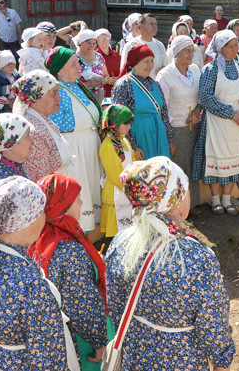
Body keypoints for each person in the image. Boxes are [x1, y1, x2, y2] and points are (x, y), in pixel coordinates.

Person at [105, 158, 236, 370]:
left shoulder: (121, 243)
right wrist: (222, 362)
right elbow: (212, 323)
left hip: (136, 351)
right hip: (181, 357)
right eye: (183, 190)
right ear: (174, 199)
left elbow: (116, 302)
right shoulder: (197, 257)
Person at [0, 176, 76, 370]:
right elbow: (48, 358)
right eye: (39, 212)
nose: (44, 217)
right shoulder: (32, 286)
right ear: (22, 222)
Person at [29, 172, 112, 369]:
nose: (82, 203)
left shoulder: (38, 236)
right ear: (62, 206)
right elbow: (81, 302)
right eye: (76, 199)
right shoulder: (68, 249)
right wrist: (99, 341)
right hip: (80, 340)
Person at [192, 30, 239, 215]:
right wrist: (231, 114)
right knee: (217, 159)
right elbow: (206, 98)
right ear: (220, 48)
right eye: (230, 45)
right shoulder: (210, 70)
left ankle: (227, 200)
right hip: (217, 123)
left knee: (234, 161)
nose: (235, 48)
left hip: (238, 125)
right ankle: (215, 200)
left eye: (236, 45)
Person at [46, 46, 102, 232]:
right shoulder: (57, 92)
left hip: (90, 144)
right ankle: (81, 229)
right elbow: (54, 128)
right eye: (73, 64)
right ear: (60, 70)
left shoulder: (78, 86)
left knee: (93, 186)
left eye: (78, 62)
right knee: (81, 188)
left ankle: (95, 229)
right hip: (74, 148)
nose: (80, 66)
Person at [156, 36, 203, 212]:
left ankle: (193, 203)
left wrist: (197, 112)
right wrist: (170, 136)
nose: (191, 54)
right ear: (176, 53)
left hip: (195, 125)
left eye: (193, 50)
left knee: (193, 164)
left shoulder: (195, 71)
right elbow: (162, 107)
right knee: (179, 167)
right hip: (176, 129)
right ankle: (178, 209)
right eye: (187, 51)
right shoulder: (165, 75)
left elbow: (201, 97)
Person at [112, 44, 175, 160]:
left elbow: (164, 113)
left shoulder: (154, 84)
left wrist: (169, 139)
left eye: (152, 61)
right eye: (146, 61)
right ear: (135, 63)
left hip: (159, 138)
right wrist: (133, 147)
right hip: (139, 138)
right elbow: (120, 119)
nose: (150, 65)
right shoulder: (123, 85)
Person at [10, 69, 72, 182]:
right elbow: (40, 181)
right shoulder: (32, 132)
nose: (59, 98)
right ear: (37, 97)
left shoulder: (43, 120)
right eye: (54, 93)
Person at [99, 105, 136, 236]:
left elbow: (133, 161)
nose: (129, 127)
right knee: (118, 230)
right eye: (126, 124)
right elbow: (115, 173)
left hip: (128, 187)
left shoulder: (124, 141)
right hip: (117, 190)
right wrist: (129, 186)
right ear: (115, 124)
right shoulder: (107, 146)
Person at [121, 14, 168, 78]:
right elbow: (124, 69)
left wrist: (163, 70)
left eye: (155, 24)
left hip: (156, 85)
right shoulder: (131, 45)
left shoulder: (160, 45)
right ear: (140, 26)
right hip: (137, 85)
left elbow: (166, 67)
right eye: (150, 24)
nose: (154, 27)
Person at [75, 29, 109, 104]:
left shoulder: (99, 57)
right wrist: (88, 84)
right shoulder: (75, 59)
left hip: (99, 96)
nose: (92, 46)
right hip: (82, 97)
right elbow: (71, 83)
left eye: (94, 43)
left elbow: (106, 75)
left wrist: (104, 80)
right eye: (88, 43)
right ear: (81, 43)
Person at [95, 28, 121, 98]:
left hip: (117, 90)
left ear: (109, 39)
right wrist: (107, 80)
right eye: (101, 38)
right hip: (102, 92)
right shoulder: (95, 55)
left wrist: (118, 79)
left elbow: (123, 69)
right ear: (97, 40)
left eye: (106, 37)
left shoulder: (116, 54)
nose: (104, 40)